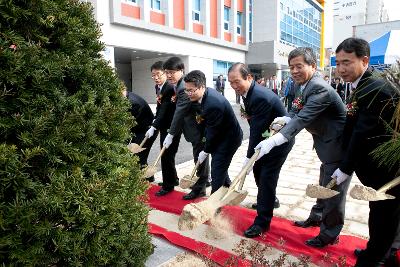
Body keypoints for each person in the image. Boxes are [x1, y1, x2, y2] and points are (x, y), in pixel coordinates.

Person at [255, 47, 351, 248]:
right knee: (323, 183)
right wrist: (285, 118)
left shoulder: (319, 87)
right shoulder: (302, 85)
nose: (294, 71)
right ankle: (317, 216)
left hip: (337, 146)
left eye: (299, 66)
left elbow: (303, 118)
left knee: (332, 192)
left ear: (313, 66)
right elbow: (295, 109)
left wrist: (274, 140)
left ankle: (329, 235)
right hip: (325, 145)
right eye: (291, 67)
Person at [333, 37, 399, 267]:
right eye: (338, 62)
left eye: (347, 62)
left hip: (387, 169)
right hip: (375, 167)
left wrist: (344, 168)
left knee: (384, 214)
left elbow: (362, 133)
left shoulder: (375, 88)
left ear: (364, 60)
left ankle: (376, 259)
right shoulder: (364, 83)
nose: (341, 69)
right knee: (379, 211)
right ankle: (378, 251)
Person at [228, 63, 294, 238]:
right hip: (266, 138)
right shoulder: (247, 93)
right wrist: (252, 160)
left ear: (249, 77)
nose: (234, 86)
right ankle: (271, 200)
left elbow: (256, 131)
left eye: (237, 82)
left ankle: (262, 223)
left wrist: (249, 158)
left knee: (266, 177)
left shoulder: (259, 97)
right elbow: (257, 128)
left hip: (279, 142)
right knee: (258, 171)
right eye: (231, 83)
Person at [184, 70, 243, 194]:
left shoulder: (213, 103)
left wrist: (205, 151)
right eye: (186, 90)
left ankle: (214, 202)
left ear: (202, 87)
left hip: (229, 138)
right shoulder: (199, 96)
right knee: (220, 165)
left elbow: (213, 131)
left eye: (191, 90)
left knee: (217, 168)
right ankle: (227, 187)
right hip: (218, 135)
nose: (188, 94)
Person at [162, 57, 210, 199]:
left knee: (200, 157)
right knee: (201, 156)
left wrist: (170, 134)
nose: (169, 75)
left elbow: (180, 112)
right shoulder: (178, 85)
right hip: (193, 126)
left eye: (172, 72)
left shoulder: (183, 87)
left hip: (198, 127)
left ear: (181, 70)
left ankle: (200, 188)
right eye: (167, 72)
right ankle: (217, 181)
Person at [144, 61, 180, 186]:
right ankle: (173, 179)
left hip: (172, 126)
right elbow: (160, 108)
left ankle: (168, 184)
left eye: (158, 74)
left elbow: (165, 109)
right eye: (153, 75)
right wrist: (155, 119)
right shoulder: (158, 87)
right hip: (164, 124)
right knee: (166, 153)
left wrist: (154, 127)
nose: (156, 78)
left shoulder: (169, 88)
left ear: (165, 73)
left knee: (166, 154)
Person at [123, 89, 156, 181]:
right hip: (138, 129)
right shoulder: (126, 97)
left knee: (139, 156)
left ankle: (145, 180)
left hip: (147, 131)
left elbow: (129, 123)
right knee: (135, 155)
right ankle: (148, 178)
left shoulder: (133, 103)